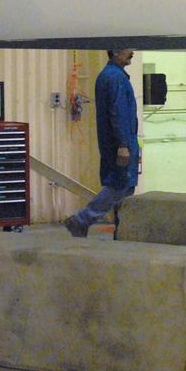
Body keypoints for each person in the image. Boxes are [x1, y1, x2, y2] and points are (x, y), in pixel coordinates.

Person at [64, 49, 139, 236]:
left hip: (119, 140)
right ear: (115, 51)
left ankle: (122, 229)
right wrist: (123, 145)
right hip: (120, 142)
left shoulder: (111, 75)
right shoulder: (115, 78)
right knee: (120, 184)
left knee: (125, 186)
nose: (133, 52)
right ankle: (82, 219)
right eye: (128, 48)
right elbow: (118, 113)